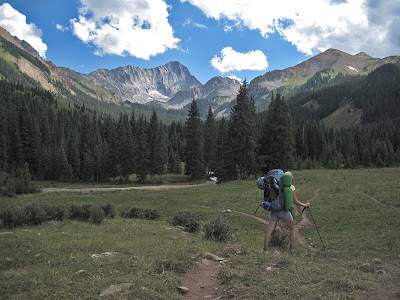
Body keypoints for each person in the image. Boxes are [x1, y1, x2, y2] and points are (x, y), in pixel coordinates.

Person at [263, 171, 310, 252]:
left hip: (274, 209)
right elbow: (295, 201)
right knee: (292, 228)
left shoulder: (277, 185)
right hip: (283, 211)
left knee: (270, 229)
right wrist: (305, 205)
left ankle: (265, 248)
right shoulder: (290, 187)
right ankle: (291, 248)